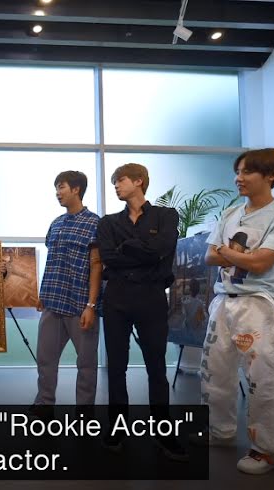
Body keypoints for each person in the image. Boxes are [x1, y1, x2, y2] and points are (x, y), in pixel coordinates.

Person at [200, 148, 274, 475]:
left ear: (271, 175)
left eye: (246, 172)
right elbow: (209, 257)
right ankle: (219, 430)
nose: (238, 178)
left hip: (260, 302)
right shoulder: (231, 213)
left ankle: (265, 450)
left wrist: (228, 251)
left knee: (264, 378)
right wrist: (240, 255)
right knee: (215, 372)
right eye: (238, 171)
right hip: (223, 300)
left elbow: (260, 263)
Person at [97, 163, 186, 461]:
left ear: (138, 181)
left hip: (151, 298)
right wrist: (144, 252)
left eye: (120, 180)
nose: (116, 186)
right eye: (114, 182)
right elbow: (109, 257)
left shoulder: (166, 215)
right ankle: (116, 429)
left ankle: (163, 433)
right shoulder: (108, 222)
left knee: (156, 368)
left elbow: (163, 248)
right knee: (116, 367)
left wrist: (128, 248)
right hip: (117, 298)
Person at [30, 170, 102, 416]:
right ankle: (44, 404)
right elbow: (52, 261)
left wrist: (91, 305)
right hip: (52, 302)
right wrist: (43, 293)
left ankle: (84, 412)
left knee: (86, 364)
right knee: (45, 360)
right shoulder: (56, 223)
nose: (57, 193)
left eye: (61, 187)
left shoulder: (94, 223)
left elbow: (96, 265)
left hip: (80, 305)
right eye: (56, 188)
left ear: (76, 189)